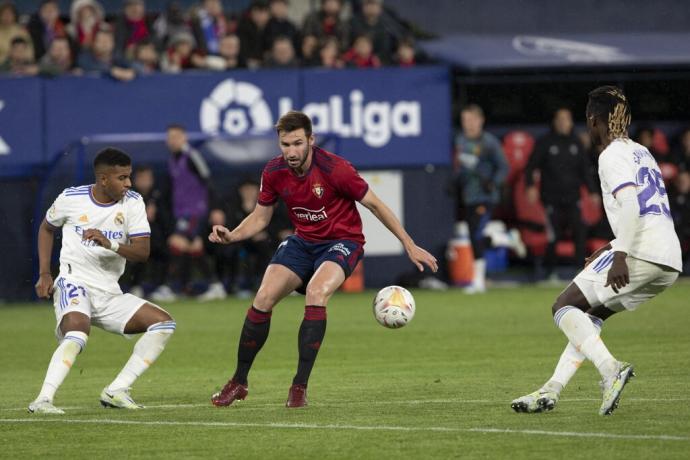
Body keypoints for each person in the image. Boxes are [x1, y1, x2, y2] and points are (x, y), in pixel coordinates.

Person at [209, 111, 437, 408]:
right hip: (303, 241)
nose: (291, 151)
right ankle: (239, 382)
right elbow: (260, 217)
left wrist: (409, 244)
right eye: (285, 144)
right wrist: (233, 235)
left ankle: (299, 387)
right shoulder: (274, 171)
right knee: (263, 297)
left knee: (316, 293)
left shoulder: (336, 169)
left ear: (311, 140)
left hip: (343, 242)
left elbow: (376, 205)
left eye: (297, 143)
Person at [511, 86, 681, 416]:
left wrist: (620, 255)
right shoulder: (642, 152)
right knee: (589, 316)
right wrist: (611, 247)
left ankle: (610, 369)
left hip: (640, 252)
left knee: (563, 307)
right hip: (668, 259)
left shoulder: (610, 155)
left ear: (593, 121)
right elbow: (647, 210)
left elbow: (632, 203)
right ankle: (551, 390)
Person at [29, 148, 176, 414]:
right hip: (74, 283)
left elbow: (142, 252)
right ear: (103, 179)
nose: (128, 183)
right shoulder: (71, 198)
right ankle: (43, 400)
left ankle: (116, 390)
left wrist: (110, 243)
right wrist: (44, 273)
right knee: (77, 332)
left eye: (129, 177)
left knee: (163, 323)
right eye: (122, 178)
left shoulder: (133, 202)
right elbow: (46, 228)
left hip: (109, 293)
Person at [524, 108, 600, 281]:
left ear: (571, 122)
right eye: (559, 119)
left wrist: (593, 191)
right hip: (551, 198)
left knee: (579, 231)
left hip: (573, 197)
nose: (562, 122)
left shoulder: (576, 143)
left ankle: (580, 272)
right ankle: (550, 272)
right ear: (554, 121)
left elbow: (585, 171)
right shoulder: (545, 142)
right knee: (553, 234)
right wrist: (530, 186)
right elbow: (530, 167)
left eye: (566, 119)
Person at [453, 104, 508, 293]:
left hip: (486, 197)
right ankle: (503, 238)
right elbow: (462, 168)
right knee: (473, 236)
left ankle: (478, 281)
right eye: (464, 120)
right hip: (469, 196)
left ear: (480, 120)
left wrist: (494, 182)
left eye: (471, 120)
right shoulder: (460, 141)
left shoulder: (489, 143)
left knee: (476, 234)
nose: (468, 124)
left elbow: (503, 167)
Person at [165, 124, 224, 299]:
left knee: (176, 242)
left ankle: (170, 286)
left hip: (195, 211)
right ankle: (211, 285)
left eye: (176, 136)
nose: (172, 141)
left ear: (184, 138)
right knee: (193, 247)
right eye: (170, 137)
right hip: (181, 213)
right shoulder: (172, 161)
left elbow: (208, 181)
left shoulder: (192, 156)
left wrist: (215, 207)